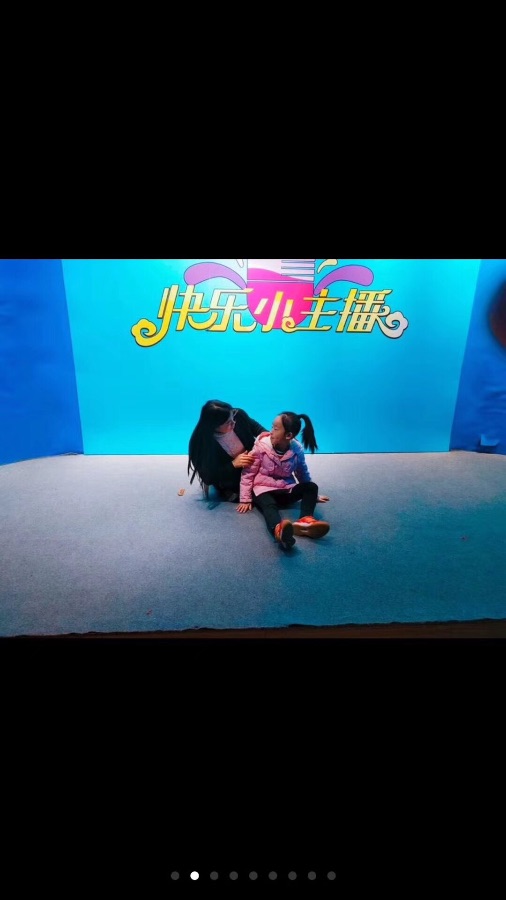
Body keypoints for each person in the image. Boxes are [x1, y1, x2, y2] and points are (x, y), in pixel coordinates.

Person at [237, 411, 330, 550]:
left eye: (275, 429)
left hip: (285, 488)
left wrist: (313, 496)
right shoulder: (261, 447)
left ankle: (306, 520)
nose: (271, 431)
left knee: (311, 486)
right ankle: (278, 530)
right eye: (272, 427)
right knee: (269, 506)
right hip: (262, 489)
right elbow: (248, 473)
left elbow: (302, 472)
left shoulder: (296, 450)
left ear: (288, 435)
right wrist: (245, 499)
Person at [188, 400, 267, 501]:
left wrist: (270, 439)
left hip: (253, 464)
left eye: (232, 417)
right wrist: (233, 464)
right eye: (228, 423)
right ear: (214, 426)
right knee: (257, 494)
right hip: (230, 477)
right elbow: (208, 477)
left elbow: (258, 429)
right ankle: (226, 491)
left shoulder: (238, 415)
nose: (234, 423)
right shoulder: (200, 443)